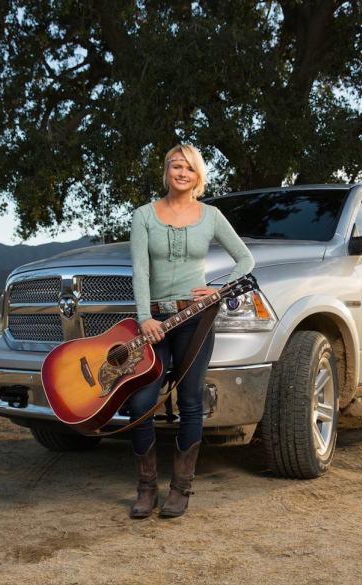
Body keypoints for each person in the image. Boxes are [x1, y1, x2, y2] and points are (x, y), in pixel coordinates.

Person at [127, 144, 254, 519]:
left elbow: (245, 259)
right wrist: (143, 317)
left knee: (191, 400)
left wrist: (218, 289)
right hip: (154, 324)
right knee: (140, 401)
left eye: (189, 168)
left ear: (198, 176)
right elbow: (140, 271)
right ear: (166, 171)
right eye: (175, 166)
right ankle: (146, 489)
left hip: (195, 320)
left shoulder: (211, 216)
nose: (181, 172)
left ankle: (181, 489)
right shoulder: (143, 215)